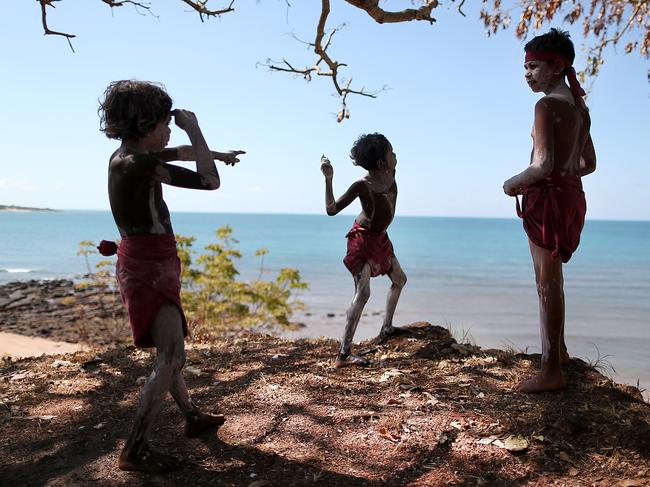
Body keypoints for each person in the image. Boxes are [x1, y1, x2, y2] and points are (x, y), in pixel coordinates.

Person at [97, 80, 245, 472]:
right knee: (172, 354)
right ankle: (134, 450)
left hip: (151, 260)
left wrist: (215, 152)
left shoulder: (128, 155)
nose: (169, 129)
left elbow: (176, 153)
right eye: (165, 123)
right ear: (146, 124)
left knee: (172, 346)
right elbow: (210, 182)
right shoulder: (138, 163)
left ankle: (192, 416)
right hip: (147, 266)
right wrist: (195, 129)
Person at [503, 29, 597, 393]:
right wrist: (563, 173)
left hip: (547, 197)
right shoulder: (578, 107)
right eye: (525, 68)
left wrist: (513, 182)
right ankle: (558, 352)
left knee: (546, 283)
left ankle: (550, 370)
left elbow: (541, 166)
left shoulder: (546, 106)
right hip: (572, 194)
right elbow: (588, 163)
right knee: (553, 280)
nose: (527, 74)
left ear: (558, 66)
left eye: (534, 66)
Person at [321, 133, 408, 368]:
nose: (395, 155)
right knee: (363, 293)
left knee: (399, 279)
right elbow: (331, 209)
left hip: (380, 238)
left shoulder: (391, 174)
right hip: (362, 240)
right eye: (391, 153)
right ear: (381, 162)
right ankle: (343, 355)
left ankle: (387, 328)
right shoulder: (363, 185)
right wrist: (329, 179)